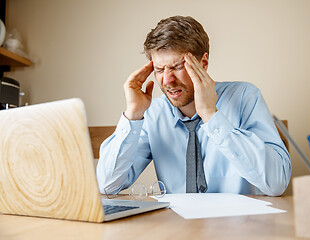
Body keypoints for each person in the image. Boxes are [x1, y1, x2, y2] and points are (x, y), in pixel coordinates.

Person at [96, 16, 291, 196]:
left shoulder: (245, 97)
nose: (167, 80)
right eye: (159, 69)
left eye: (177, 67)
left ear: (203, 62)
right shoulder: (153, 113)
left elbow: (277, 184)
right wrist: (133, 115)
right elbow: (108, 185)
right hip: (175, 228)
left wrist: (211, 115)